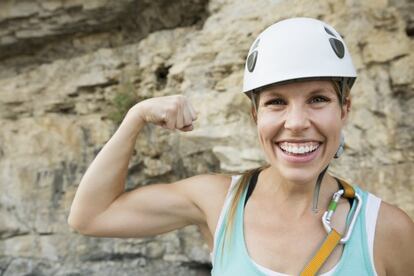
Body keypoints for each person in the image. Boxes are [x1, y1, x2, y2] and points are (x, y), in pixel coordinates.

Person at [68, 17, 414, 275]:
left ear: (345, 110)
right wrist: (136, 116)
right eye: (276, 102)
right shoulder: (218, 203)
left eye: (318, 99)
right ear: (255, 115)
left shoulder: (385, 229)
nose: (295, 123)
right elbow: (91, 216)